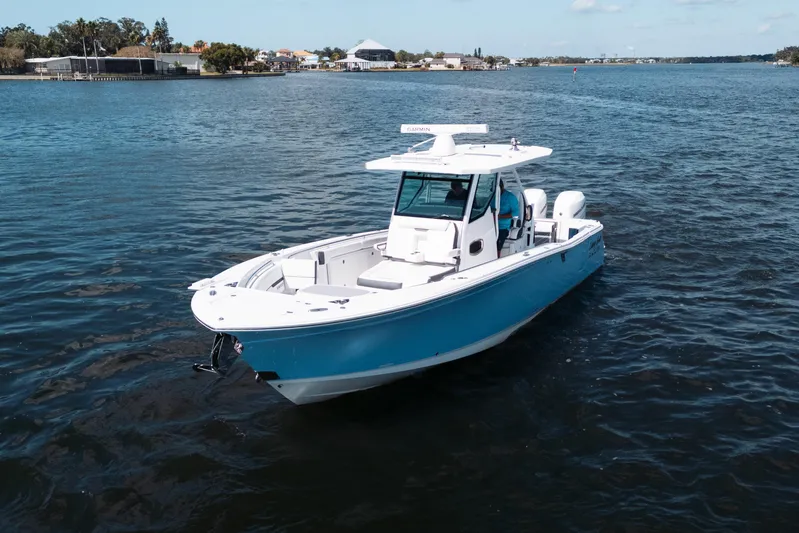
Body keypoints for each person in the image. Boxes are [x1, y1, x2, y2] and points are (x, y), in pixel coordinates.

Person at [495, 180, 519, 254]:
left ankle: (497, 257)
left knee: (497, 247)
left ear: (501, 187)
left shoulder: (510, 197)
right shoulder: (492, 195)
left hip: (502, 227)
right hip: (490, 224)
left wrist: (500, 216)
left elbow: (515, 213)